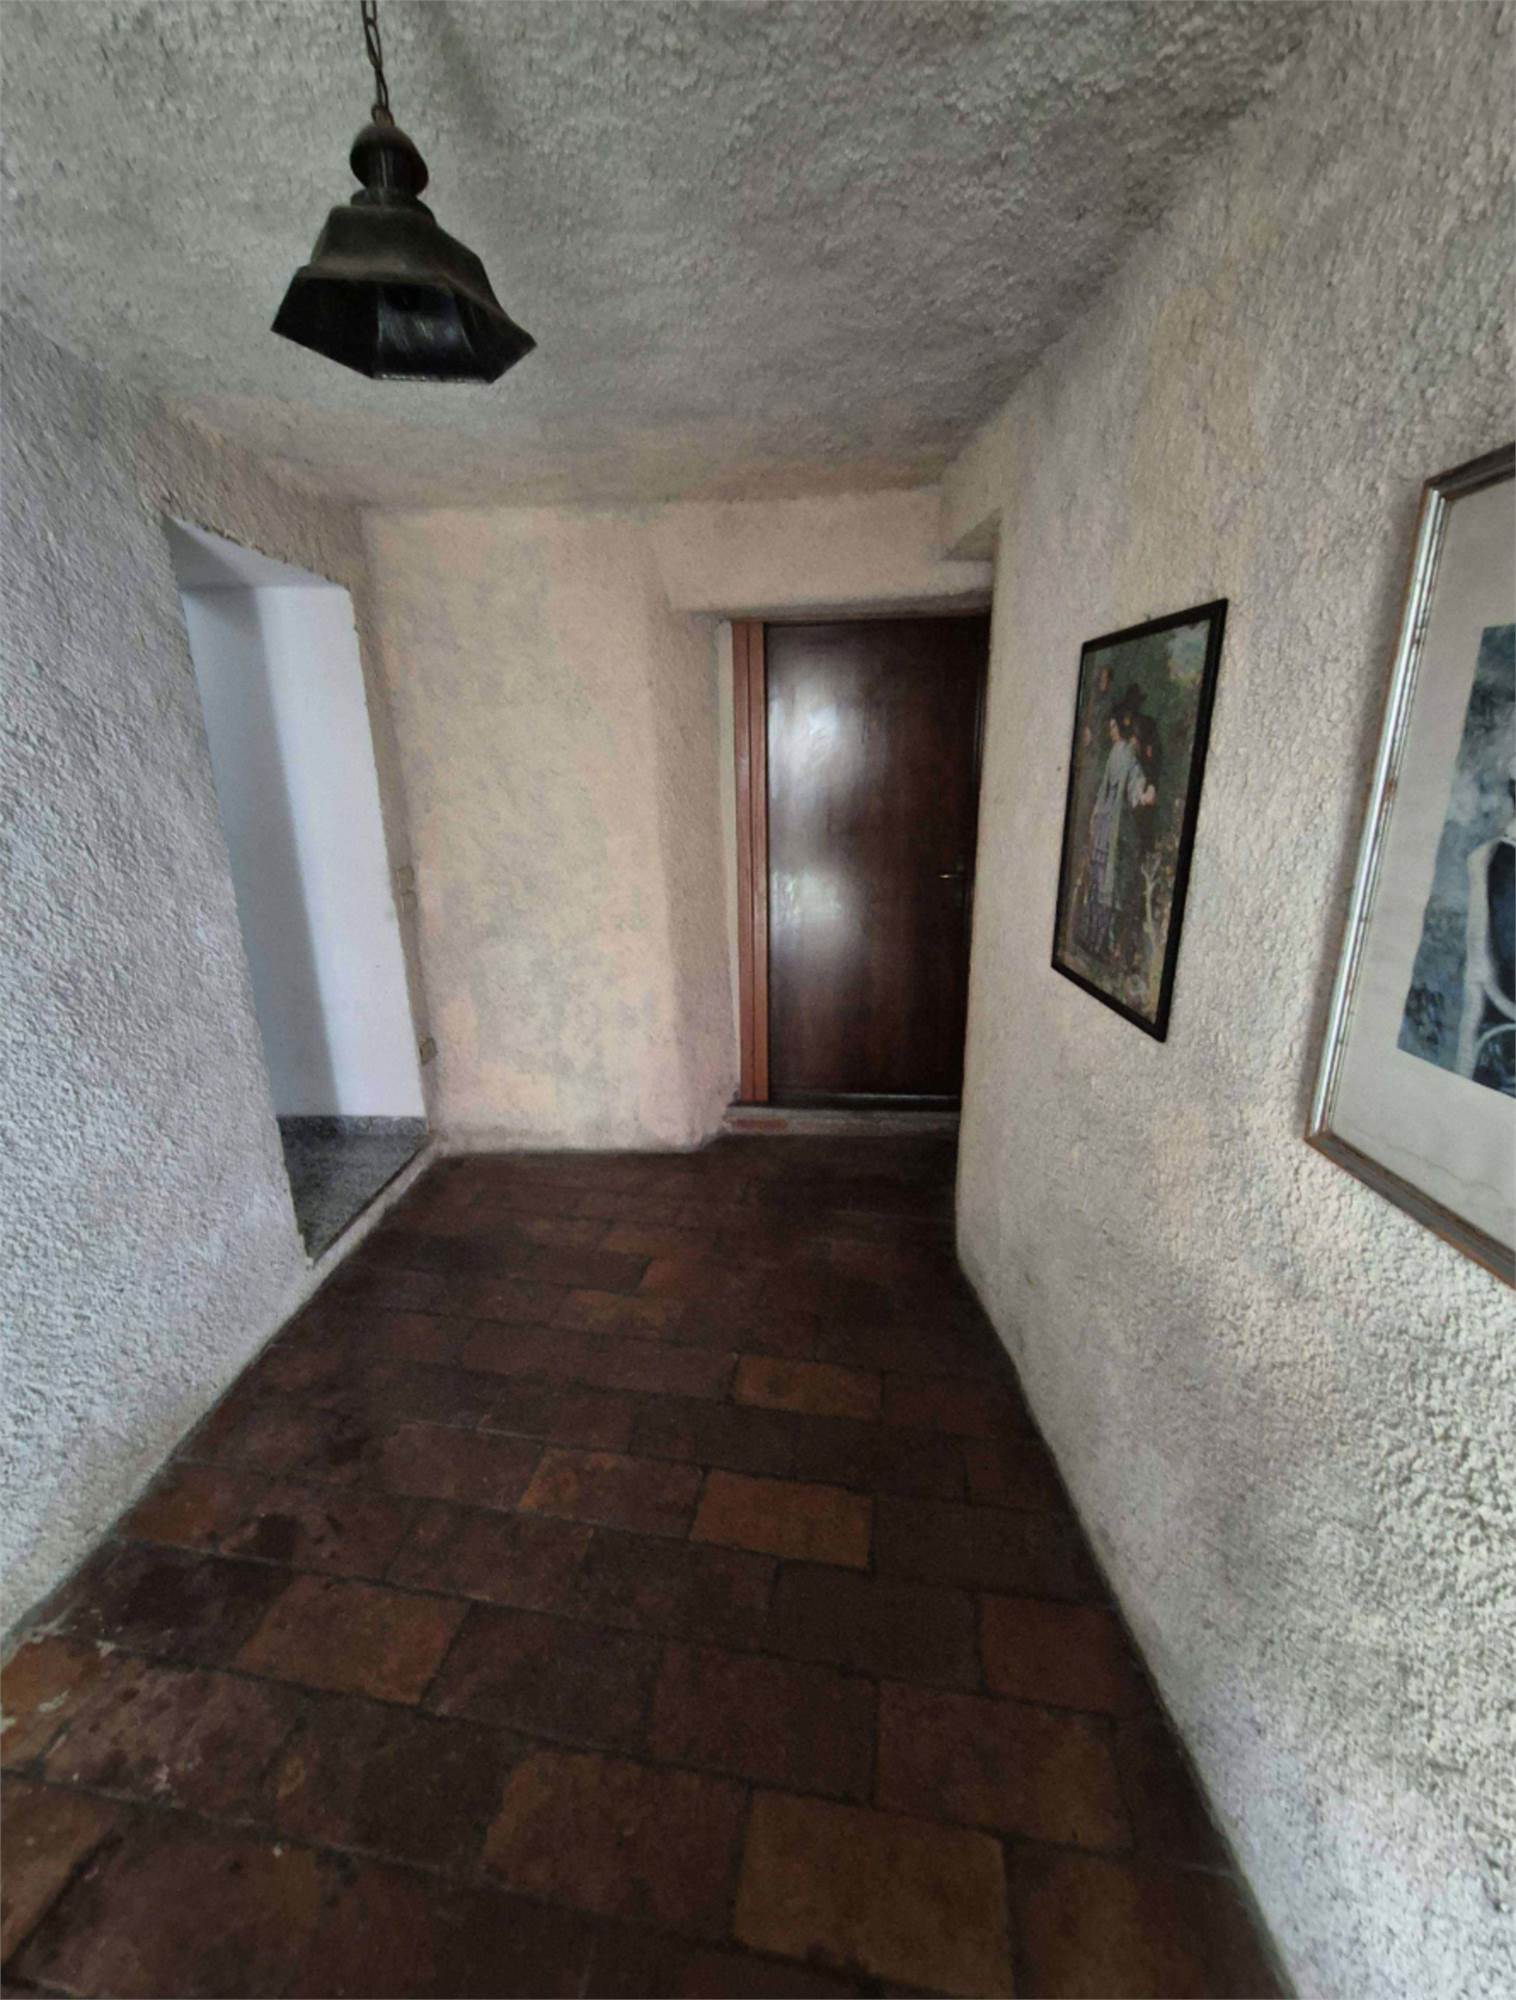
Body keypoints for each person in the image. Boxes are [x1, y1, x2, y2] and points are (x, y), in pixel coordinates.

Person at [1076, 685, 1156, 962]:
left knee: (1106, 885)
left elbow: (1134, 786)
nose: (1110, 730)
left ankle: (1098, 941)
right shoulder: (1119, 752)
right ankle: (1095, 940)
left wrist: (1143, 794)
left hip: (1109, 829)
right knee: (1101, 884)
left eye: (1113, 726)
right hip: (1105, 828)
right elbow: (1116, 789)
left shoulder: (1125, 754)